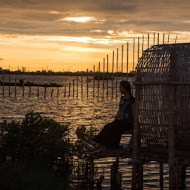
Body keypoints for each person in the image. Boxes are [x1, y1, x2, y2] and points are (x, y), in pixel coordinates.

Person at [82, 80, 136, 153]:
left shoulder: (132, 99)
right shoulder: (122, 99)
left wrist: (135, 124)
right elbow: (119, 111)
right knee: (108, 126)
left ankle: (98, 145)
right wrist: (115, 120)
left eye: (120, 87)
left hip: (128, 122)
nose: (119, 89)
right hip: (120, 121)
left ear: (125, 88)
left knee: (115, 127)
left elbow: (134, 112)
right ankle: (96, 144)